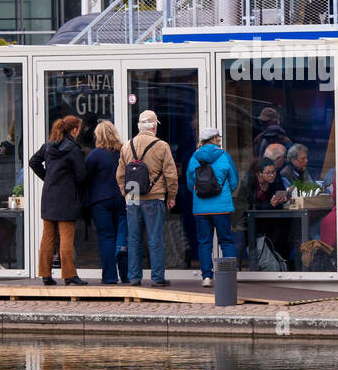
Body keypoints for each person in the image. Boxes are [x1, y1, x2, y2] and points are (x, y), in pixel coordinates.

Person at [116, 109, 179, 287]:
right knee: (155, 238)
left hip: (133, 195)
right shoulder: (161, 146)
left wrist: (125, 193)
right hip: (155, 195)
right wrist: (171, 195)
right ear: (153, 127)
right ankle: (157, 277)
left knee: (134, 238)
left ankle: (134, 277)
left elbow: (120, 174)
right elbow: (171, 174)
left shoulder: (127, 145)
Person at [28, 115, 89, 286]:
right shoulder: (73, 149)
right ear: (74, 130)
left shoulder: (48, 146)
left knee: (48, 237)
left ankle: (45, 274)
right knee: (66, 238)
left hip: (49, 196)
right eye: (79, 129)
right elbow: (81, 175)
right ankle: (69, 275)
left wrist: (47, 178)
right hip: (67, 198)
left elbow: (33, 161)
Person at [187, 126, 240, 287]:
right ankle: (229, 276)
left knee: (204, 242)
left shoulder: (194, 158)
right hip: (222, 207)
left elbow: (190, 184)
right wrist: (224, 193)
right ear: (216, 140)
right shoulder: (225, 156)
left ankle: (206, 277)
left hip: (201, 208)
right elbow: (234, 181)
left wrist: (200, 194)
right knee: (226, 241)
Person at [82, 120, 128, 285]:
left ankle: (110, 277)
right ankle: (126, 273)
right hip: (122, 199)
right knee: (123, 234)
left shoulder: (95, 155)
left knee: (106, 238)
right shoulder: (124, 152)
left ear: (98, 136)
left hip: (101, 201)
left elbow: (84, 178)